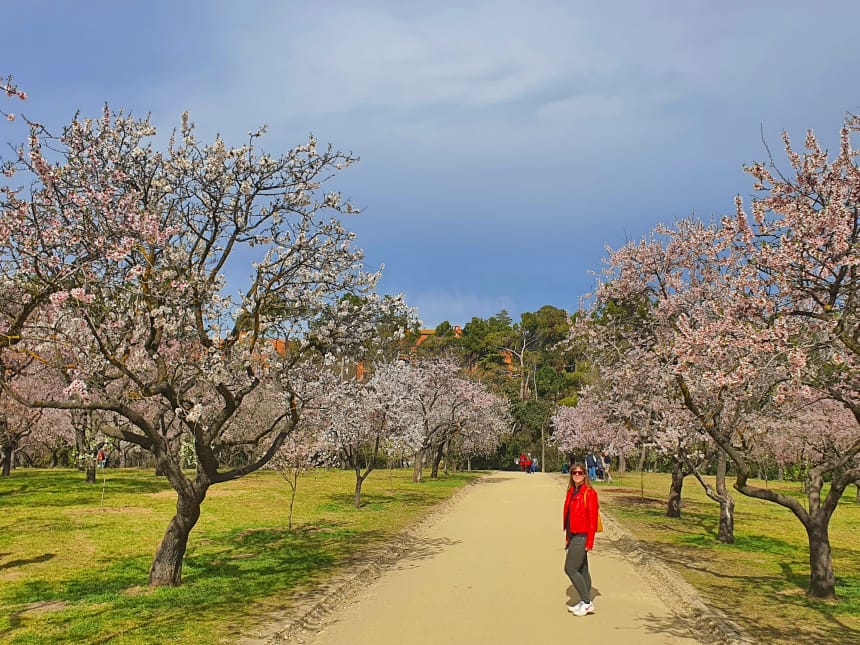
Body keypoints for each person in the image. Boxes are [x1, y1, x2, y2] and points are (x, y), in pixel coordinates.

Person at [562, 462, 599, 616]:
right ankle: (585, 601)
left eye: (580, 473)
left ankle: (587, 602)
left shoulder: (589, 493)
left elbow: (593, 520)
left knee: (570, 568)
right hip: (573, 535)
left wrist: (590, 541)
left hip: (582, 535)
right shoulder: (572, 491)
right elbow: (569, 516)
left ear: (585, 475)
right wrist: (567, 536)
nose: (577, 475)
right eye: (574, 473)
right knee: (582, 569)